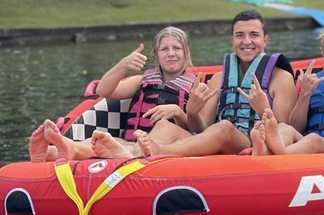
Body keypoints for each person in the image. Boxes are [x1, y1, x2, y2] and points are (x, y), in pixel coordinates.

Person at [99, 9, 298, 159]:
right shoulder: (219, 79)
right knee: (164, 126)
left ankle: (155, 151)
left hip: (255, 142)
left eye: (254, 35)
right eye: (240, 35)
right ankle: (132, 151)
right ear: (232, 40)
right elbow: (200, 129)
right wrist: (191, 112)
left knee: (224, 127)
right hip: (220, 140)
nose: (247, 41)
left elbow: (285, 131)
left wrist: (263, 108)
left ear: (265, 40)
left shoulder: (281, 78)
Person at [28, 26, 195, 162]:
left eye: (177, 48)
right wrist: (122, 65)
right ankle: (52, 152)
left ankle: (130, 151)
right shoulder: (142, 81)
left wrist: (177, 111)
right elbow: (103, 90)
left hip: (170, 142)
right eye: (164, 49)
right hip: (131, 142)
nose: (171, 53)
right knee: (102, 142)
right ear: (156, 56)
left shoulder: (196, 86)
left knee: (162, 127)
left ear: (186, 53)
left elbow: (200, 128)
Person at [250, 24, 324, 156]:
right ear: (323, 54)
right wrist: (305, 93)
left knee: (313, 139)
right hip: (309, 141)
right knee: (285, 128)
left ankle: (279, 153)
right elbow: (296, 127)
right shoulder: (313, 82)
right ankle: (264, 151)